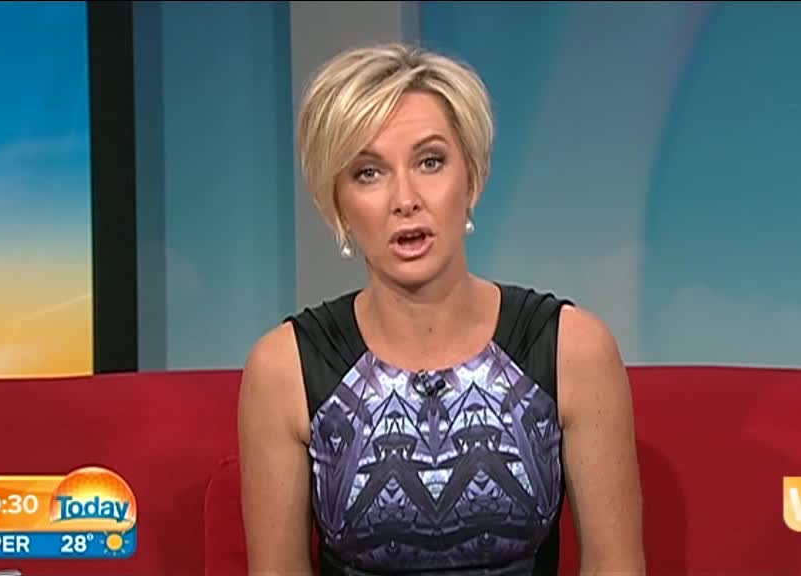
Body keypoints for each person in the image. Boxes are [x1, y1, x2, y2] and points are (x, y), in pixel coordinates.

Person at [238, 42, 644, 576]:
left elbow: (615, 566)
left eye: (430, 162)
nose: (405, 199)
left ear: (472, 178)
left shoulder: (572, 349)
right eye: (368, 173)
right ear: (337, 204)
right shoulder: (284, 368)